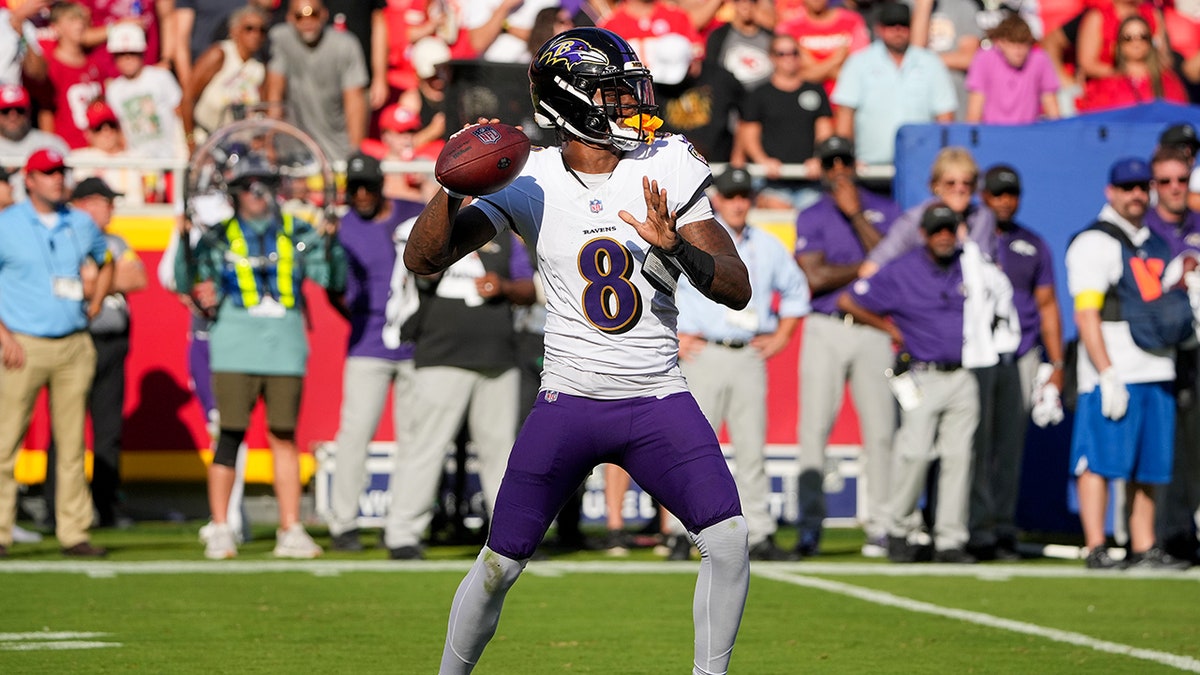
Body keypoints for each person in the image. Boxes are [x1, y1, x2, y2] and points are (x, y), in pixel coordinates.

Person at [410, 28, 751, 673]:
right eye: (613, 94)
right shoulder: (528, 177)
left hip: (657, 398)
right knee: (498, 565)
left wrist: (677, 247)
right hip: (569, 401)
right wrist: (454, 183)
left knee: (729, 541)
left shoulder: (667, 162)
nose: (630, 106)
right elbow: (424, 259)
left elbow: (735, 286)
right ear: (572, 101)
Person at [174, 154, 345, 560]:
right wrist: (184, 244)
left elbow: (330, 278)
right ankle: (220, 527)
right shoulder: (216, 235)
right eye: (249, 185)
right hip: (234, 344)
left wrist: (334, 244)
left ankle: (290, 527)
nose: (257, 192)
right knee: (230, 435)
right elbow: (188, 283)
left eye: (264, 184)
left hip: (284, 346)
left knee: (284, 436)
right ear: (235, 192)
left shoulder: (299, 231)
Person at [839, 202, 1018, 564]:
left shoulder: (970, 265)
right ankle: (899, 530)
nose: (943, 237)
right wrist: (888, 328)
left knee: (959, 458)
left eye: (949, 229)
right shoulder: (902, 270)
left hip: (964, 374)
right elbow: (850, 300)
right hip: (922, 374)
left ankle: (950, 539)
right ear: (923, 234)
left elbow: (1002, 294)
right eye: (936, 230)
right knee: (915, 454)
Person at [381, 207, 536, 561]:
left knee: (503, 454)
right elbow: (416, 273)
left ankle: (510, 538)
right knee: (425, 447)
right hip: (441, 354)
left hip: (498, 356)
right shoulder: (428, 227)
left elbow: (529, 285)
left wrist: (506, 287)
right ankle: (403, 533)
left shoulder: (502, 230)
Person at [676, 166, 811, 562]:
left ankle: (761, 532)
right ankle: (680, 533)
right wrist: (677, 336)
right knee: (691, 448)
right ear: (716, 199)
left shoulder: (767, 246)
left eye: (743, 196)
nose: (737, 203)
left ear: (751, 200)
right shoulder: (696, 238)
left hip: (747, 351)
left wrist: (782, 336)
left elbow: (796, 291)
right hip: (704, 352)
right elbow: (660, 286)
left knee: (752, 449)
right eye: (731, 195)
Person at [1065, 157, 1190, 570]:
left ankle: (1143, 544)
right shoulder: (1094, 242)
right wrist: (1105, 371)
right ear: (1111, 191)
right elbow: (1086, 314)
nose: (1136, 194)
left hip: (1157, 366)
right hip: (1116, 368)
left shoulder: (1155, 241)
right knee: (1099, 458)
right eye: (1127, 187)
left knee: (1149, 465)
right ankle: (1096, 544)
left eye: (1142, 187)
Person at [0, 148, 112, 558]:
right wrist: (3, 335)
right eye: (47, 173)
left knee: (71, 445)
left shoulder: (80, 223)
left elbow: (106, 259)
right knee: (5, 442)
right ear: (29, 180)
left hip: (72, 342)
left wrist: (96, 301)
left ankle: (73, 531)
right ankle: (0, 530)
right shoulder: (6, 224)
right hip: (22, 344)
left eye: (60, 172)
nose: (57, 179)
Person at [793, 135, 901, 557]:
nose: (838, 168)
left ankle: (883, 526)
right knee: (814, 428)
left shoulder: (884, 210)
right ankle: (809, 528)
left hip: (875, 326)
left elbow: (894, 270)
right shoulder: (812, 214)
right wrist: (866, 268)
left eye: (844, 160)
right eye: (830, 161)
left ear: (855, 164)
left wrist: (857, 217)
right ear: (820, 168)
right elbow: (815, 278)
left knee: (881, 432)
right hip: (826, 324)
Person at [324, 152, 425, 552]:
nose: (361, 195)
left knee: (414, 440)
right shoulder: (342, 229)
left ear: (381, 184)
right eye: (354, 189)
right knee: (354, 433)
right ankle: (343, 524)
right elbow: (334, 289)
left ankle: (401, 526)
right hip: (367, 343)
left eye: (367, 186)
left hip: (417, 343)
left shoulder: (412, 212)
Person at [967, 164, 1065, 561]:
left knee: (1009, 446)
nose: (1004, 200)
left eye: (1011, 193)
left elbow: (1047, 305)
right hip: (977, 352)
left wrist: (1056, 362)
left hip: (1020, 352)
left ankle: (1003, 525)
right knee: (974, 444)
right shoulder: (968, 237)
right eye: (997, 193)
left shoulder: (1032, 244)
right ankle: (976, 526)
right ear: (984, 196)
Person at [44, 177, 147, 530]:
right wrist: (105, 278)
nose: (112, 209)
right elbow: (63, 283)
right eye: (106, 202)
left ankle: (106, 505)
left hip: (114, 345)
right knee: (67, 427)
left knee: (108, 429)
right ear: (87, 203)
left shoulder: (115, 241)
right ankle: (55, 505)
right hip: (77, 341)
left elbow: (137, 278)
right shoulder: (67, 234)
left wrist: (97, 280)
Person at [1144, 145, 1200, 564]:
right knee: (1168, 448)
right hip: (1158, 350)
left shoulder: (1197, 225)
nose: (1176, 188)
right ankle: (1171, 535)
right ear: (1153, 186)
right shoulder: (1142, 231)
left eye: (1182, 179)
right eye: (1166, 181)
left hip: (1196, 347)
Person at [830, 1, 957, 166]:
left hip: (920, 165)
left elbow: (945, 117)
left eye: (903, 25)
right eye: (891, 25)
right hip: (869, 166)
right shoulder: (859, 62)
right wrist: (847, 157)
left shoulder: (930, 63)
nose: (898, 30)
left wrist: (942, 159)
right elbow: (845, 116)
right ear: (879, 28)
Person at [734, 33, 832, 211]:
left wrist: (819, 159)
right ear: (772, 57)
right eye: (782, 53)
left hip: (810, 183)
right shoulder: (759, 94)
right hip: (772, 185)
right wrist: (762, 160)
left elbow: (824, 131)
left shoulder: (815, 91)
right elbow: (748, 135)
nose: (789, 58)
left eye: (793, 53)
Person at [862, 146, 995, 276]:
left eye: (966, 183)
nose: (959, 189)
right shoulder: (915, 219)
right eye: (950, 183)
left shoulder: (982, 218)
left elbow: (988, 269)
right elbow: (871, 267)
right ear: (936, 186)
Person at [265, 0, 368, 164]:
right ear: (290, 17)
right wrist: (269, 141)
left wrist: (354, 155)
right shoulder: (280, 39)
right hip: (293, 149)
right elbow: (274, 96)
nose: (307, 21)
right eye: (300, 16)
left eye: (313, 14)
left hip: (336, 149)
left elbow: (355, 102)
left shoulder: (345, 45)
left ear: (324, 14)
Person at [181, 6, 269, 151]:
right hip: (202, 138)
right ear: (234, 31)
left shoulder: (259, 67)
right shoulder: (220, 54)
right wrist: (190, 142)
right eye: (249, 28)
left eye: (262, 30)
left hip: (237, 146)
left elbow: (263, 111)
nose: (256, 34)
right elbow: (187, 98)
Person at [104, 22, 187, 161]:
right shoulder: (113, 90)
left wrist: (184, 148)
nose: (127, 58)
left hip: (171, 157)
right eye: (121, 54)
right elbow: (119, 131)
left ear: (142, 53)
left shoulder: (161, 76)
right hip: (136, 163)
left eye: (132, 53)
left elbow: (180, 111)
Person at [1076, 15, 1188, 112]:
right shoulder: (1106, 86)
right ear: (1118, 45)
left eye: (1143, 37)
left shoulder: (1168, 81)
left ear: (1150, 42)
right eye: (1128, 38)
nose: (1136, 42)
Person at [964, 14, 1061, 125]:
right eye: (1012, 43)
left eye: (1023, 44)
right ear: (999, 42)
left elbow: (1052, 107)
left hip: (1027, 134)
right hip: (994, 134)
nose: (1018, 51)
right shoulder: (984, 59)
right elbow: (974, 112)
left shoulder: (1040, 59)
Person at [41, 1, 112, 149]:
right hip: (67, 149)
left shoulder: (94, 64)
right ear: (56, 27)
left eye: (81, 19)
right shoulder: (51, 67)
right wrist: (51, 147)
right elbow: (46, 113)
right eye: (72, 20)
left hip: (98, 149)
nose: (79, 25)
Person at [776, 0, 869, 97]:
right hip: (806, 99)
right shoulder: (789, 27)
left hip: (847, 97)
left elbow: (860, 69)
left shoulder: (852, 21)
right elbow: (795, 74)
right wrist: (836, 60)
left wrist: (814, 70)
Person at [702, 0, 773, 92]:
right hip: (731, 96)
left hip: (762, 98)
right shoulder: (719, 36)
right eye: (741, 1)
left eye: (751, 1)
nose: (746, 5)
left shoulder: (769, 37)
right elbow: (711, 69)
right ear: (733, 4)